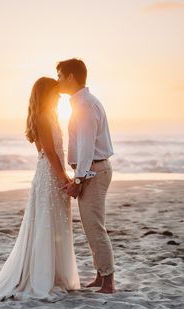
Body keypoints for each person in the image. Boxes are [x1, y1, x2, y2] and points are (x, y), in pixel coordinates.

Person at [0, 77, 80, 303]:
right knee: (46, 224)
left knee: (55, 222)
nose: (59, 95)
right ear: (47, 93)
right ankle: (42, 278)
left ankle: (56, 275)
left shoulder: (50, 115)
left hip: (49, 174)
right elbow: (49, 152)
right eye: (56, 91)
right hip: (49, 175)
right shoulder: (43, 117)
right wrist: (64, 177)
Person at [57, 58, 116, 293]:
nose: (58, 79)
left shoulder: (85, 106)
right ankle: (101, 275)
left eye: (60, 75)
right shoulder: (81, 103)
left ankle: (109, 281)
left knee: (94, 226)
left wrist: (79, 180)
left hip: (94, 171)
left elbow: (87, 147)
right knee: (91, 225)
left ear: (71, 77)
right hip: (92, 170)